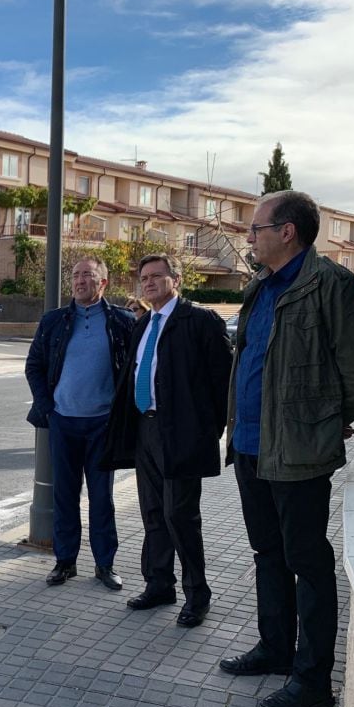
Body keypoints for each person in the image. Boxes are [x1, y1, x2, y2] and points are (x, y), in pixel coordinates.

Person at [220, 190, 354, 707]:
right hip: (249, 448)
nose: (249, 236)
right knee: (267, 555)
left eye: (256, 228)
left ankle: (313, 680)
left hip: (297, 455)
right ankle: (275, 648)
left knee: (308, 563)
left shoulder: (331, 285)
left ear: (287, 231)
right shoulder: (261, 286)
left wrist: (322, 423)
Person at [103, 255, 232, 628]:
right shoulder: (144, 324)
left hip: (183, 435)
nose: (149, 282)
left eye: (157, 276)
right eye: (144, 277)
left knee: (181, 517)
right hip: (147, 429)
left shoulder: (201, 321)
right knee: (154, 514)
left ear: (176, 279)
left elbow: (223, 381)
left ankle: (197, 595)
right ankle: (159, 584)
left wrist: (210, 430)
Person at [25, 258, 135, 590]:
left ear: (103, 282)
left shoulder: (122, 321)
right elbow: (34, 366)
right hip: (64, 424)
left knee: (102, 498)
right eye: (75, 275)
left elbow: (133, 371)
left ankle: (105, 565)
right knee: (65, 496)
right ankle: (65, 562)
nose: (79, 280)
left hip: (102, 426)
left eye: (87, 274)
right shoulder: (54, 321)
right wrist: (49, 408)